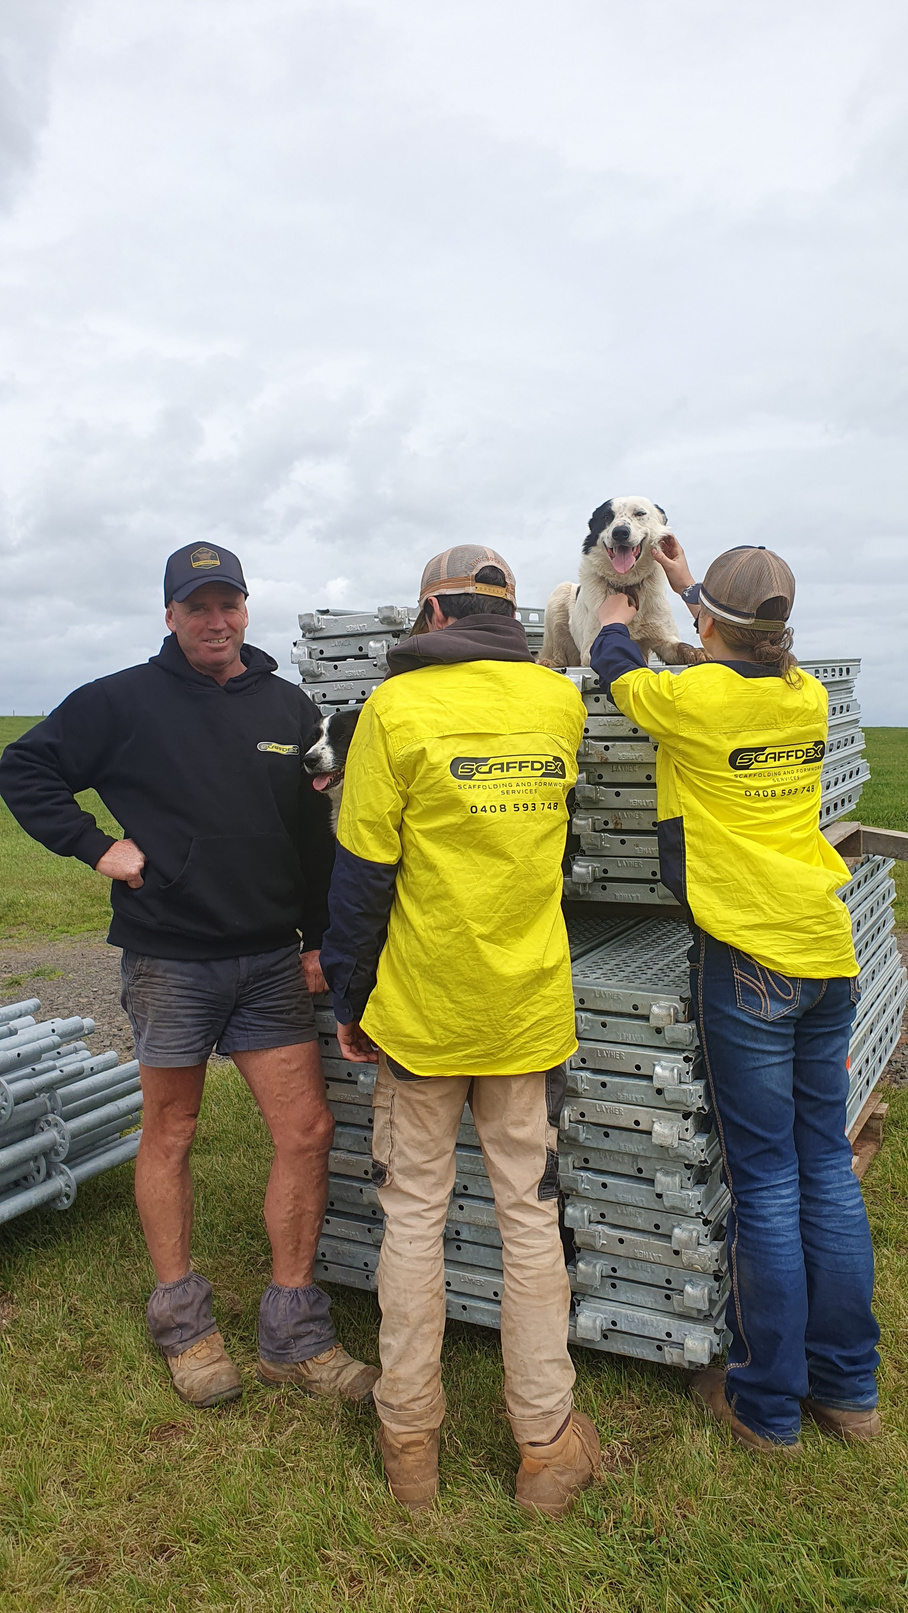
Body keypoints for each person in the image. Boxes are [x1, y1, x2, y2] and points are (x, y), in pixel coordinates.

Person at [0, 543, 378, 1410]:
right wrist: (99, 846)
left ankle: (294, 1333)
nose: (216, 621)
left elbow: (313, 832)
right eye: (197, 606)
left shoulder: (286, 704)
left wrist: (321, 939)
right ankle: (183, 1322)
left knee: (307, 1130)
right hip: (169, 957)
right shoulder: (122, 701)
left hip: (270, 960)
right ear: (170, 615)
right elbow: (23, 767)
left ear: (246, 608)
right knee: (171, 1130)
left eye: (228, 604)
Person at [319, 544, 601, 1517]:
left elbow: (361, 875)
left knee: (412, 1218)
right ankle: (545, 1443)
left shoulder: (393, 710)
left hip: (423, 1015)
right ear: (508, 614)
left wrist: (351, 998)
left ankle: (409, 1442)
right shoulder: (556, 703)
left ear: (431, 611)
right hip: (525, 1011)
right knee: (529, 1219)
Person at [589, 538, 880, 1453]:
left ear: (711, 625)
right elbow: (753, 644)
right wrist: (689, 585)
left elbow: (615, 668)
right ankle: (850, 1390)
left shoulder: (694, 699)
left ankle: (765, 1406)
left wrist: (613, 614)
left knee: (765, 1181)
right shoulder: (805, 696)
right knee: (824, 1165)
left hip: (748, 960)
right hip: (823, 950)